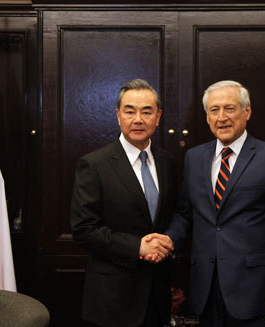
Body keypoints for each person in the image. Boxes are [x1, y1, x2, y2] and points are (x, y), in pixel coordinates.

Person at [145, 80, 265, 327]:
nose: (222, 117)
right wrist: (169, 239)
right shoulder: (194, 158)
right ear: (207, 117)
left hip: (256, 293)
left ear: (247, 111)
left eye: (229, 108)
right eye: (214, 110)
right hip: (206, 290)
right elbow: (185, 213)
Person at [70, 79, 176, 327]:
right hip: (113, 301)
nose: (138, 119)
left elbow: (175, 214)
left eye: (147, 112)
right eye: (130, 111)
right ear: (118, 116)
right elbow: (84, 230)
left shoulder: (168, 162)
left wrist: (168, 239)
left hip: (157, 297)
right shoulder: (94, 164)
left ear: (158, 117)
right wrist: (137, 246)